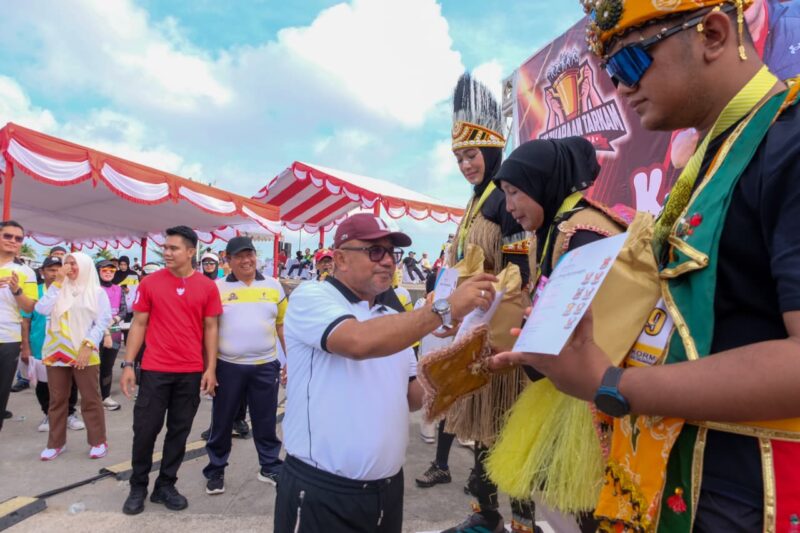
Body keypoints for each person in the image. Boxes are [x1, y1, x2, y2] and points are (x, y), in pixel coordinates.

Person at [491, 2, 800, 531]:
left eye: (631, 64)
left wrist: (610, 383)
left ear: (715, 34)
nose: (621, 88)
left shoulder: (787, 144)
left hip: (752, 497)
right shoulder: (714, 158)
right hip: (681, 480)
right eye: (610, 73)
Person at [274, 213, 496, 533]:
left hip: (386, 490)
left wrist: (471, 363)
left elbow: (412, 397)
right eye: (374, 251)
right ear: (340, 259)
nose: (388, 262)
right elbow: (357, 341)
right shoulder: (314, 297)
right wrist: (444, 309)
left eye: (392, 253)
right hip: (322, 491)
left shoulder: (390, 316)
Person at [490, 137, 624, 533]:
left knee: (585, 507)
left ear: (543, 181)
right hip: (573, 383)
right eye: (504, 194)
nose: (510, 206)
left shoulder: (580, 232)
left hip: (588, 391)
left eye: (514, 192)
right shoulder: (563, 228)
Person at [426, 74, 534, 533]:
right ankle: (485, 514)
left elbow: (521, 273)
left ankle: (522, 523)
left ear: (490, 150)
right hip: (472, 327)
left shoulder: (506, 196)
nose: (465, 164)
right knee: (481, 431)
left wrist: (484, 311)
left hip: (501, 331)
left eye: (470, 155)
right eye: (458, 158)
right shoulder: (474, 201)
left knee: (510, 431)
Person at [120, 226, 222, 515]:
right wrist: (129, 364)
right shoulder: (151, 283)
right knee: (145, 430)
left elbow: (211, 328)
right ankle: (138, 486)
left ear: (191, 252)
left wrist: (210, 368)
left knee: (179, 432)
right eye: (165, 247)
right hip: (154, 370)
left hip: (190, 372)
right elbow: (139, 324)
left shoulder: (207, 286)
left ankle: (165, 485)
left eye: (173, 248)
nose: (166, 252)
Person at [203, 237, 287, 494]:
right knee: (222, 420)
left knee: (265, 419)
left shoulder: (274, 286)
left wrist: (291, 361)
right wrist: (210, 368)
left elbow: (282, 325)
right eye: (239, 256)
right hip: (228, 367)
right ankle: (216, 469)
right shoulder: (217, 288)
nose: (246, 260)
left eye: (249, 254)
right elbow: (211, 328)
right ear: (228, 260)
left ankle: (269, 465)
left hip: (265, 366)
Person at [36, 252, 112, 460]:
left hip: (83, 351)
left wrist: (88, 345)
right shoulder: (57, 289)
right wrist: (58, 283)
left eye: (74, 263)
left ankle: (98, 441)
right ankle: (55, 443)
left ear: (85, 266)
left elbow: (103, 321)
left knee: (90, 398)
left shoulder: (96, 292)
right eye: (66, 263)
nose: (69, 266)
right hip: (55, 351)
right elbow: (41, 309)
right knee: (57, 399)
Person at [28, 256, 80, 432]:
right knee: (43, 384)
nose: (56, 273)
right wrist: (25, 346)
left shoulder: (70, 291)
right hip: (39, 345)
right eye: (51, 269)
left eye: (59, 268)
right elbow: (26, 319)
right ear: (42, 272)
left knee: (69, 382)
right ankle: (48, 414)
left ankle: (70, 413)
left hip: (65, 346)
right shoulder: (35, 291)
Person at [0, 221, 38, 430]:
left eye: (18, 238)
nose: (13, 241)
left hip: (8, 339)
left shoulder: (25, 272)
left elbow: (30, 307)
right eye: (8, 236)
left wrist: (17, 291)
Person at [96, 260, 126, 411]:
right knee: (91, 367)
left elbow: (123, 310)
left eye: (111, 271)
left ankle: (105, 396)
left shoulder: (118, 289)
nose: (108, 273)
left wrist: (114, 320)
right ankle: (91, 397)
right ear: (98, 271)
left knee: (107, 366)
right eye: (104, 270)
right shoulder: (92, 288)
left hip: (114, 331)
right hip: (94, 331)